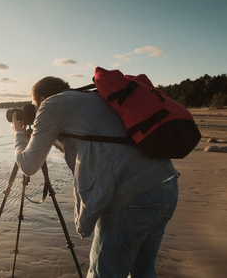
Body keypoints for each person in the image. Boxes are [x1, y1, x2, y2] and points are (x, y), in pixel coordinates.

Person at [11, 76, 179, 278]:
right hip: (166, 186)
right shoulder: (94, 98)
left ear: (42, 97)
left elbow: (28, 165)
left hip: (132, 198)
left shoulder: (50, 104)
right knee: (143, 271)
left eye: (32, 105)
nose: (33, 111)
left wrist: (18, 134)